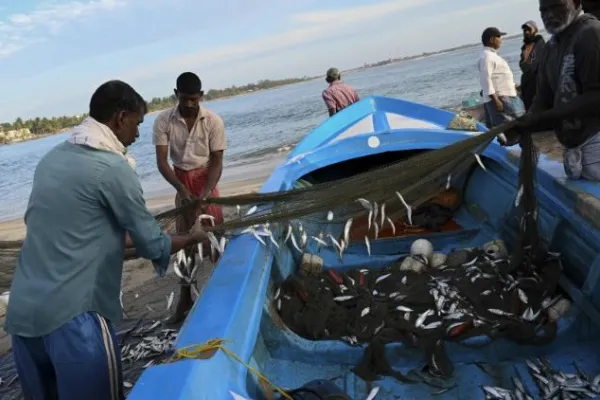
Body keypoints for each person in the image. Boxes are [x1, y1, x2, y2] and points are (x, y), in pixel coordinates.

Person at [4, 80, 208, 400]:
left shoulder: (52, 159)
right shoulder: (112, 168)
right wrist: (191, 236)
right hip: (75, 320)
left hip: (23, 317)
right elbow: (152, 245)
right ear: (120, 118)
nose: (138, 135)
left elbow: (80, 234)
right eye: (137, 124)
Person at [153, 72, 226, 323]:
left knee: (216, 239)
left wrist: (205, 194)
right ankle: (185, 298)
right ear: (176, 94)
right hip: (180, 180)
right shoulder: (163, 120)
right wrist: (181, 190)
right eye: (184, 99)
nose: (189, 104)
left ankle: (223, 293)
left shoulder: (213, 121)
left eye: (194, 99)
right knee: (186, 243)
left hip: (207, 181)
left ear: (201, 96)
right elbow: (162, 162)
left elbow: (217, 161)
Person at [504, 0, 600, 182]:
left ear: (576, 3)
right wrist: (523, 124)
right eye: (544, 10)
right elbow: (542, 99)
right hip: (572, 148)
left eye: (556, 6)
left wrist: (544, 119)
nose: (549, 14)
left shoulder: (591, 33)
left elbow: (596, 95)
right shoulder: (551, 47)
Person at [478, 27, 525, 127]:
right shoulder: (487, 57)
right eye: (499, 37)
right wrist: (496, 101)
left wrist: (514, 86)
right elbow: (486, 80)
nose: (501, 40)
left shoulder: (492, 55)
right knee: (511, 129)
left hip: (507, 97)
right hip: (501, 99)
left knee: (520, 126)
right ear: (491, 39)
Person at [519, 20, 546, 110]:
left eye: (529, 29)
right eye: (524, 30)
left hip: (538, 85)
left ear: (535, 30)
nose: (526, 32)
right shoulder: (524, 48)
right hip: (526, 85)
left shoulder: (539, 43)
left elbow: (535, 65)